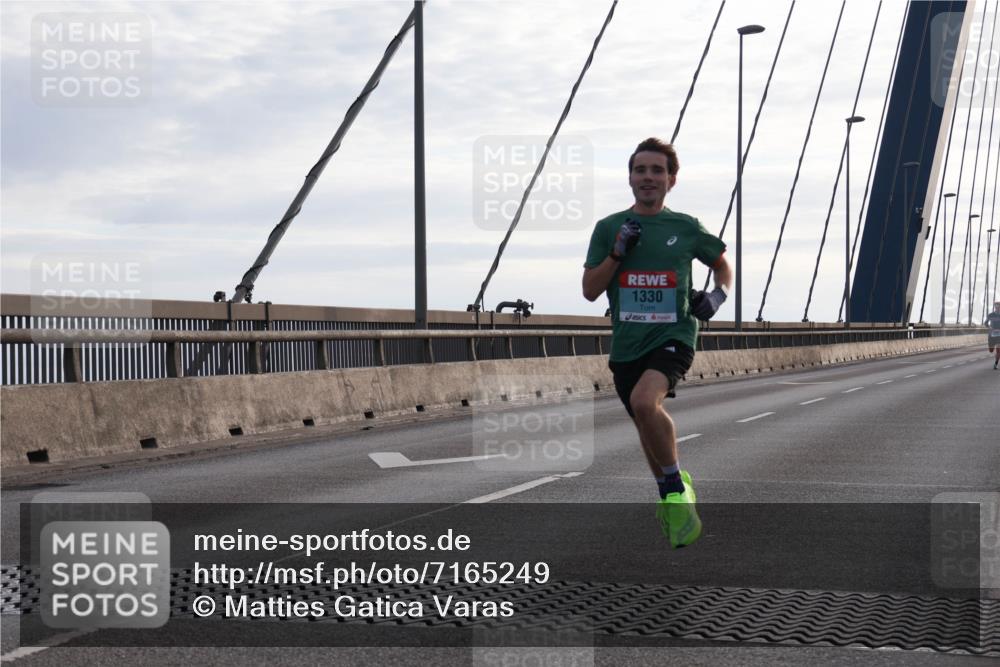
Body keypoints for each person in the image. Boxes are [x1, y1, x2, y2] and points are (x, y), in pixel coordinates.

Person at [582, 137, 732, 548]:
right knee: (647, 429)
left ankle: (674, 494)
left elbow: (722, 267)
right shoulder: (609, 228)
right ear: (630, 177)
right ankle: (673, 494)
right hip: (626, 346)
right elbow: (590, 291)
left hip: (674, 335)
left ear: (672, 180)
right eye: (640, 170)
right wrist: (616, 254)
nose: (648, 178)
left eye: (657, 171)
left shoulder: (685, 227)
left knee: (647, 403)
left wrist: (716, 296)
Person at [988, 301, 1000, 370]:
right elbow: (986, 323)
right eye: (996, 307)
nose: (997, 308)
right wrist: (989, 327)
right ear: (994, 307)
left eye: (998, 307)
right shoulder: (990, 315)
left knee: (998, 350)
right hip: (992, 335)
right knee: (991, 350)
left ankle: (995, 364)